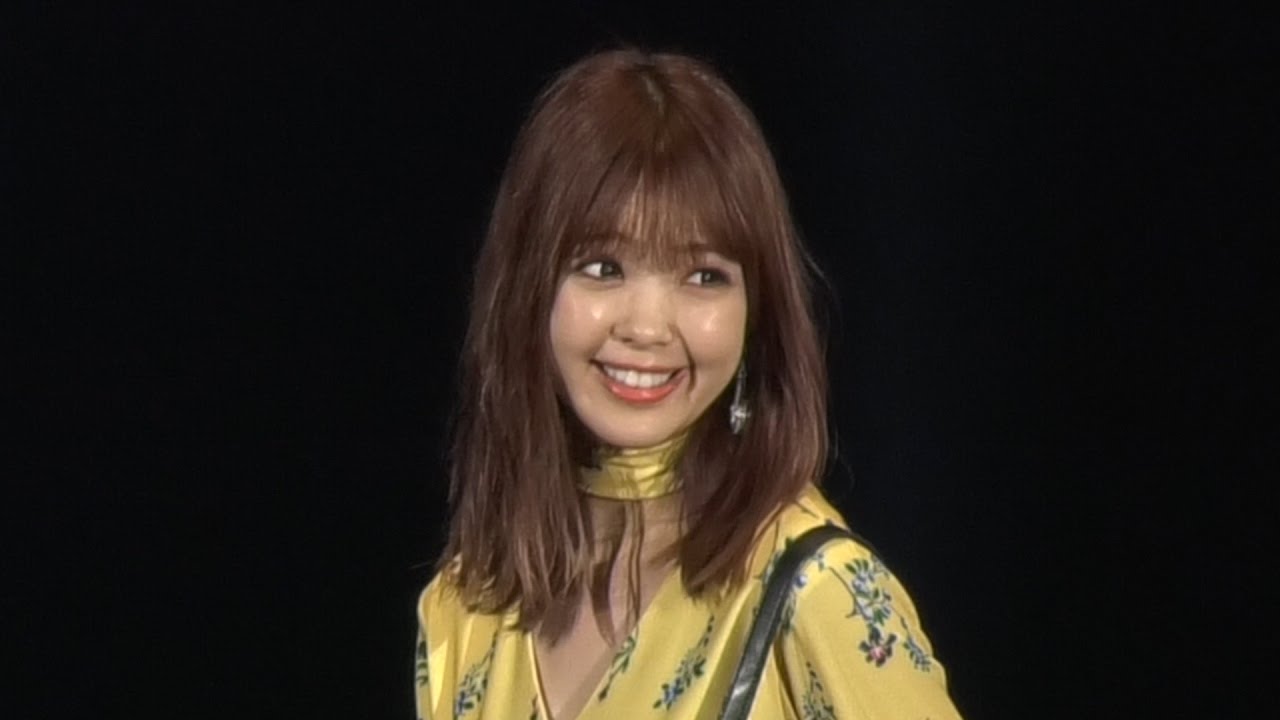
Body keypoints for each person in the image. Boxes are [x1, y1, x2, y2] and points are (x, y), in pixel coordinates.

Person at [414, 49, 962, 720]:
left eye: (703, 276)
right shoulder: (467, 607)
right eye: (603, 267)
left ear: (755, 315)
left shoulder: (820, 592)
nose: (647, 327)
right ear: (528, 289)